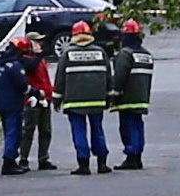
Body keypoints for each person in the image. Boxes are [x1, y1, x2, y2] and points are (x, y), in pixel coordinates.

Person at [52, 20, 111, 174]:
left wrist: (57, 99)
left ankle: (83, 164)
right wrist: (109, 96)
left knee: (79, 131)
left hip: (74, 101)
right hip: (97, 100)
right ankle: (102, 163)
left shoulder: (68, 54)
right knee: (97, 130)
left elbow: (60, 79)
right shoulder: (100, 52)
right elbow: (108, 76)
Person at [108, 18, 154, 169]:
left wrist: (113, 96)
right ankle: (137, 155)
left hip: (127, 98)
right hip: (141, 98)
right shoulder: (147, 54)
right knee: (138, 126)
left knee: (128, 127)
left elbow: (119, 77)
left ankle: (131, 156)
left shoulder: (125, 54)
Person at [0, 37, 34, 175]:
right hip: (13, 104)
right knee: (13, 134)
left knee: (8, 132)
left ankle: (10, 161)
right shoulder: (15, 66)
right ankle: (9, 162)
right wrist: (36, 92)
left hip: (1, 103)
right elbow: (22, 86)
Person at [18, 31, 57, 170]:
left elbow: (45, 78)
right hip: (32, 99)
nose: (40, 44)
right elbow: (30, 68)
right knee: (28, 130)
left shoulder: (40, 59)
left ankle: (43, 157)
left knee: (45, 130)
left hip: (44, 97)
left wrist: (50, 94)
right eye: (37, 42)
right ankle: (23, 158)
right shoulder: (25, 59)